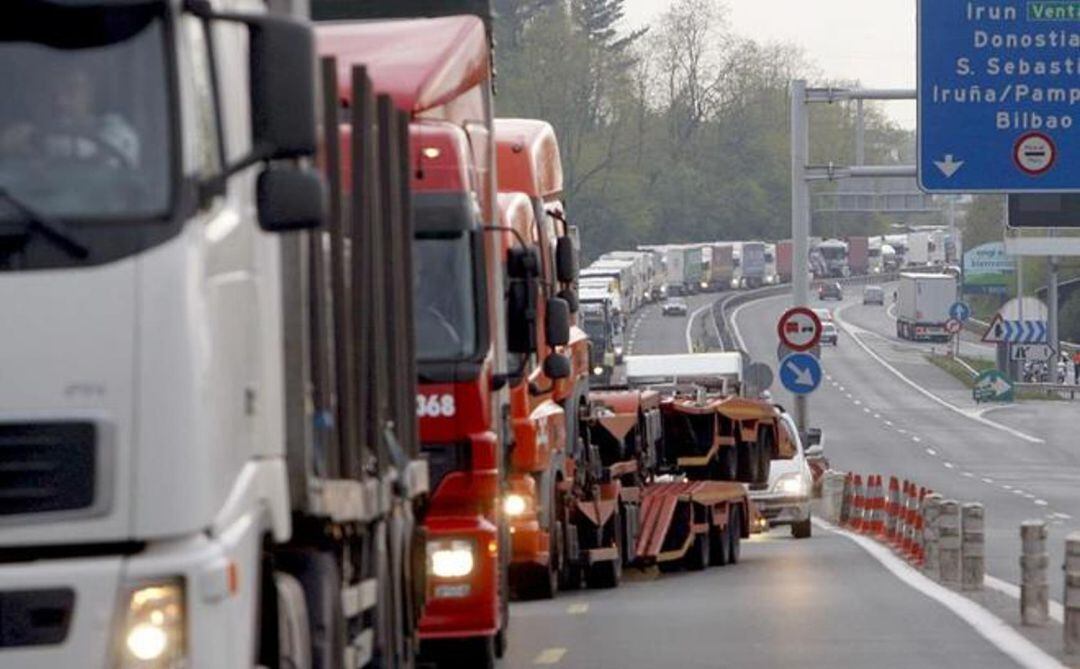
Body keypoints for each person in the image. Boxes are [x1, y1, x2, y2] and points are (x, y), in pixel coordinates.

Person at [0, 67, 138, 168]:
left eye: (71, 90)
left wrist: (36, 141)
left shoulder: (116, 131)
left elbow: (115, 159)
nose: (60, 101)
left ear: (91, 93)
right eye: (53, 92)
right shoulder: (28, 132)